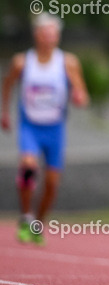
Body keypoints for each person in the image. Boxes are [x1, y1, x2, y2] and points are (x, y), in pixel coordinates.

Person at [1, 12, 90, 243]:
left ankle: (38, 224)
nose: (50, 37)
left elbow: (82, 93)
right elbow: (7, 85)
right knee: (28, 168)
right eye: (45, 32)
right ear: (36, 34)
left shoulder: (68, 62)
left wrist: (79, 97)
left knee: (51, 183)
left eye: (54, 32)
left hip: (55, 128)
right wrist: (5, 112)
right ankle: (25, 215)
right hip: (30, 126)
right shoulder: (22, 62)